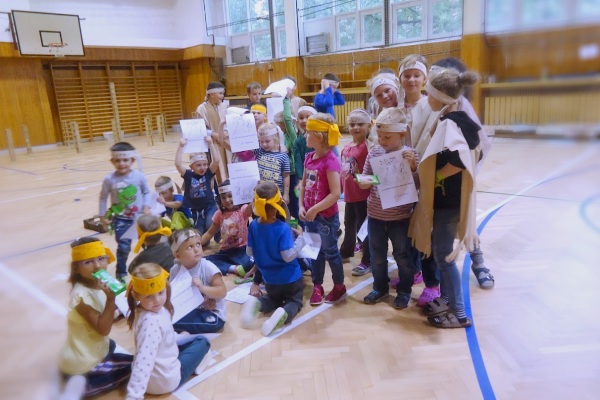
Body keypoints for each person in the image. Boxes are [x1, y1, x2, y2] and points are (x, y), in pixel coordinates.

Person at [409, 57, 494, 291]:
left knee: (460, 223)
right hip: (429, 177)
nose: (413, 80)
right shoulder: (422, 103)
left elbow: (476, 145)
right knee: (437, 233)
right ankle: (436, 283)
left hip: (450, 181)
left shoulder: (457, 108)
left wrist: (455, 174)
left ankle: (477, 263)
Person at [357, 108, 419, 309]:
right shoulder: (374, 152)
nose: (382, 140)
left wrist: (412, 167)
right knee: (377, 257)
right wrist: (362, 181)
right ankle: (380, 287)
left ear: (402, 134)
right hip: (375, 215)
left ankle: (404, 291)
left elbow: (417, 185)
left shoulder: (410, 154)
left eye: (387, 137)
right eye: (380, 135)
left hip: (400, 218)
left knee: (402, 256)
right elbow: (366, 178)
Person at [58, 237, 132, 397]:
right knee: (134, 366)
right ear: (76, 268)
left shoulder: (99, 283)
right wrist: (111, 299)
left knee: (111, 345)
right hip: (84, 363)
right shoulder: (80, 296)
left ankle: (81, 376)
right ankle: (84, 385)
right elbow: (103, 329)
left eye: (101, 258)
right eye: (88, 262)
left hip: (86, 350)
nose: (97, 265)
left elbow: (108, 311)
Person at [126, 263, 211, 399]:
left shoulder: (144, 311)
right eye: (149, 296)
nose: (157, 300)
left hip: (153, 380)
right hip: (166, 382)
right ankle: (196, 366)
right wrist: (134, 396)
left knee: (185, 338)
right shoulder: (151, 322)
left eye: (160, 293)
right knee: (203, 341)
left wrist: (178, 337)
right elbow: (143, 362)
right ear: (136, 295)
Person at [240, 181, 306, 336]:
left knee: (272, 299)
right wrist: (301, 239)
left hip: (269, 280)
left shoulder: (253, 225)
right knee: (294, 302)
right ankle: (283, 314)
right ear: (278, 204)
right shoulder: (282, 228)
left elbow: (249, 252)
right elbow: (288, 256)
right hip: (290, 278)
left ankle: (256, 303)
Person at [299, 112, 346, 305]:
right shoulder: (309, 157)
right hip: (309, 216)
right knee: (314, 252)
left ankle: (339, 286)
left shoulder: (331, 160)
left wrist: (315, 209)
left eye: (308, 132)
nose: (305, 135)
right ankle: (317, 285)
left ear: (318, 136)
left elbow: (335, 193)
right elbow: (303, 185)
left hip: (325, 218)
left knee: (331, 252)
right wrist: (301, 206)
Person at [99, 141, 152, 282]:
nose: (121, 163)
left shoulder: (139, 176)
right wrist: (102, 217)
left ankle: (150, 268)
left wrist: (146, 206)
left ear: (132, 160)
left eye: (125, 160)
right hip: (121, 220)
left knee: (149, 244)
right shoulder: (109, 179)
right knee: (123, 248)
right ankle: (121, 274)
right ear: (112, 161)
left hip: (140, 218)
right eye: (117, 160)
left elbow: (147, 192)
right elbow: (103, 198)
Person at [169, 229, 227, 334]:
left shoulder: (207, 267)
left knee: (170, 324)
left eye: (198, 244)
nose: (196, 249)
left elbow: (222, 292)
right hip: (189, 310)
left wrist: (203, 288)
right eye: (190, 247)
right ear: (177, 255)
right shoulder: (175, 270)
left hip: (212, 313)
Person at [339, 109, 372, 277]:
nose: (355, 127)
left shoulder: (369, 147)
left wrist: (364, 181)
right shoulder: (346, 147)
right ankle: (346, 251)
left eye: (360, 124)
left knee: (363, 228)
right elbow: (344, 170)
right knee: (349, 224)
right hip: (350, 195)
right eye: (352, 124)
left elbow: (375, 174)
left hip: (363, 196)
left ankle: (368, 260)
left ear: (369, 126)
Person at [202, 180, 255, 277]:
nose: (227, 200)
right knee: (204, 261)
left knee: (252, 262)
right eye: (223, 197)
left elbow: (252, 206)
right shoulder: (219, 214)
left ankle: (237, 266)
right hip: (226, 251)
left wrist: (256, 193)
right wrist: (197, 244)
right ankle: (233, 268)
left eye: (230, 196)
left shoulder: (243, 209)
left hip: (242, 250)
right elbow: (209, 233)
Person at [175, 136, 221, 241]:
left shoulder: (208, 173)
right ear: (191, 166)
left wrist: (210, 144)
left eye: (205, 164)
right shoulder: (188, 175)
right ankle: (206, 239)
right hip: (196, 211)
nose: (202, 167)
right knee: (199, 237)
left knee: (211, 224)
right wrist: (181, 146)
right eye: (199, 165)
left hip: (210, 207)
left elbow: (217, 160)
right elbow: (177, 164)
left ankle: (218, 233)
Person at [255, 122, 291, 204]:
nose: (264, 144)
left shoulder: (283, 156)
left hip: (276, 194)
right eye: (261, 141)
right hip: (260, 192)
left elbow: (286, 176)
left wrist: (286, 194)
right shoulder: (259, 151)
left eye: (267, 141)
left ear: (275, 139)